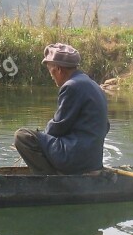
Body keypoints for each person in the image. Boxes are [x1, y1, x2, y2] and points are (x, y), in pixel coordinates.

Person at [14, 43, 109, 174]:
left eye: (50, 70)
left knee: (22, 136)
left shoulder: (71, 86)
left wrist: (40, 137)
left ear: (58, 69)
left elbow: (58, 127)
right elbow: (105, 126)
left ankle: (52, 180)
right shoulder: (93, 85)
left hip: (75, 159)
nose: (51, 75)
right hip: (93, 161)